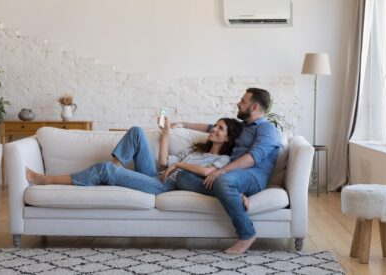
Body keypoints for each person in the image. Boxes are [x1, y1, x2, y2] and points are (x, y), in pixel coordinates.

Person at [172, 87, 281, 254]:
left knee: (224, 180)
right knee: (183, 177)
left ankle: (247, 234)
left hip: (253, 176)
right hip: (232, 177)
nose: (238, 103)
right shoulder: (243, 126)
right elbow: (211, 128)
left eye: (243, 101)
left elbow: (253, 158)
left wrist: (221, 171)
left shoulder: (267, 129)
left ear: (254, 107)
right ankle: (234, 195)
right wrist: (183, 124)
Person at [26, 117, 243, 196]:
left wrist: (179, 165)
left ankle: (46, 179)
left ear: (227, 139)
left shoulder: (223, 160)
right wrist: (166, 134)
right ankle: (115, 169)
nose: (214, 129)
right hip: (157, 175)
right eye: (215, 126)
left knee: (104, 170)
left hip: (168, 186)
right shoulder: (196, 149)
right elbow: (162, 163)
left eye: (220, 129)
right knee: (137, 131)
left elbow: (207, 173)